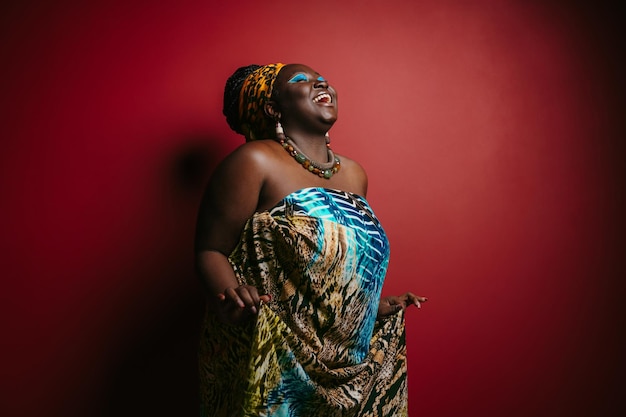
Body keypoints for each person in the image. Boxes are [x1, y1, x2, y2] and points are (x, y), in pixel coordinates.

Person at [195, 62, 427, 417]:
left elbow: (338, 260)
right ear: (274, 108)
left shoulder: (353, 174)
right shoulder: (254, 162)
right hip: (278, 357)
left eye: (323, 78)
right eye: (301, 80)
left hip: (349, 367)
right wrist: (231, 297)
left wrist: (368, 309)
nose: (321, 82)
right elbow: (211, 250)